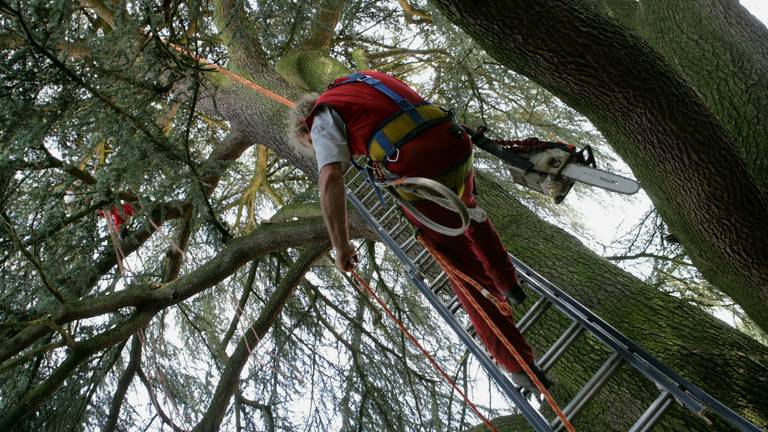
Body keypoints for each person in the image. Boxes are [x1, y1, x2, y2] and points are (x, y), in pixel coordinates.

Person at [287, 70, 550, 391]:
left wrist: (340, 245)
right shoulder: (359, 82)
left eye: (313, 145)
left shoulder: (320, 117)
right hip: (452, 140)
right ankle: (509, 283)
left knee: (459, 265)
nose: (319, 147)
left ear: (306, 129)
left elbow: (330, 178)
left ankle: (516, 362)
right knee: (470, 211)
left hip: (415, 161)